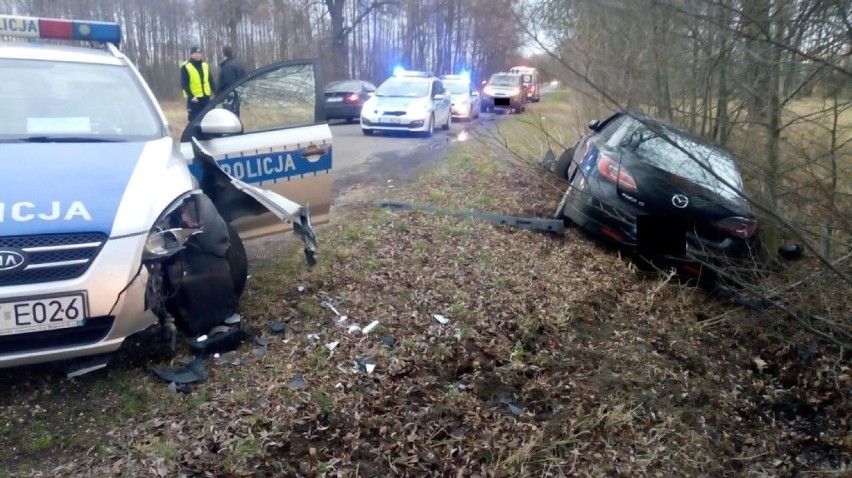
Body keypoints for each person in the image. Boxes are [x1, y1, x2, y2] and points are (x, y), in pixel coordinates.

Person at [180, 46, 215, 121]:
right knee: (194, 120)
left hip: (206, 98)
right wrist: (191, 96)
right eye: (196, 53)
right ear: (191, 54)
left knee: (207, 118)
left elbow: (210, 79)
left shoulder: (205, 65)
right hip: (194, 99)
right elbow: (184, 83)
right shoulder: (186, 66)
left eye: (199, 53)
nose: (198, 55)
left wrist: (216, 91)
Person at [218, 46, 247, 115]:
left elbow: (229, 83)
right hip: (238, 95)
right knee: (235, 116)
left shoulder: (227, 66)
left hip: (229, 98)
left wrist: (221, 94)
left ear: (223, 54)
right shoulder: (238, 64)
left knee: (229, 117)